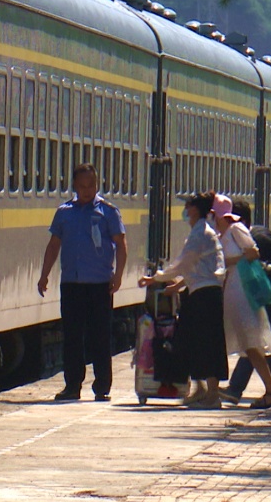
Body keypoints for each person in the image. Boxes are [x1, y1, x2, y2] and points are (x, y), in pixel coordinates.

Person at [38, 163, 127, 402]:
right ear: (75, 186)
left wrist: (118, 276)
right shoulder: (64, 212)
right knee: (73, 336)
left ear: (97, 185)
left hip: (100, 284)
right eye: (82, 186)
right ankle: (72, 385)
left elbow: (121, 244)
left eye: (92, 185)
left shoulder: (108, 211)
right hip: (72, 283)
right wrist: (44, 275)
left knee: (100, 335)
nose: (87, 190)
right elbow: (54, 245)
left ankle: (102, 386)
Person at [138, 191, 227, 409]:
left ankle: (213, 394)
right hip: (200, 292)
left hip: (205, 296)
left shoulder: (201, 234)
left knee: (207, 343)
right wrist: (178, 286)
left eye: (187, 207)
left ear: (195, 209)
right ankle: (200, 389)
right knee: (191, 340)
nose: (185, 211)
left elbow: (183, 264)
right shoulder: (202, 231)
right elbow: (195, 268)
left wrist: (155, 278)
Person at [220, 198, 271, 405]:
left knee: (264, 345)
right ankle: (236, 389)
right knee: (255, 343)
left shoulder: (254, 240)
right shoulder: (256, 234)